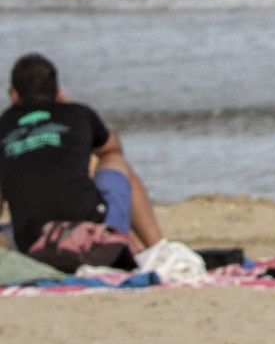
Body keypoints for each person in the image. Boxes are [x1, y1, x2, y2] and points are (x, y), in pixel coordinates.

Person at [0, 53, 162, 260]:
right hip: (93, 238)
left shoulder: (3, 124)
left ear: (14, 96)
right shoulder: (78, 113)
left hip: (33, 242)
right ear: (57, 92)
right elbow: (112, 148)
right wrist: (67, 107)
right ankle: (157, 248)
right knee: (113, 160)